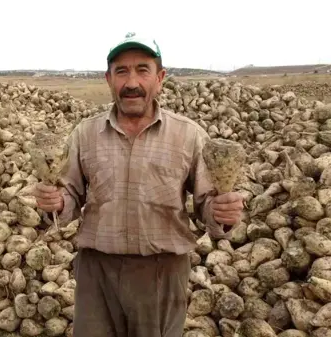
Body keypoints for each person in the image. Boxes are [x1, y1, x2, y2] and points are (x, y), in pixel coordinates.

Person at [33, 32, 244, 337]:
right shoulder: (85, 134)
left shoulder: (189, 136)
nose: (132, 82)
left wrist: (222, 212)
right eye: (122, 71)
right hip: (97, 275)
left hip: (161, 273)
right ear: (108, 79)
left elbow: (206, 205)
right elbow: (70, 196)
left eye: (142, 70)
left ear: (160, 78)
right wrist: (56, 202)